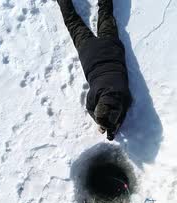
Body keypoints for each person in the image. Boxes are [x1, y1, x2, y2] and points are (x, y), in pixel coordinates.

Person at [57, 0, 133, 141]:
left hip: (109, 44)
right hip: (88, 50)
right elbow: (90, 108)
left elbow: (122, 109)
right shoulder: (95, 94)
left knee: (105, 13)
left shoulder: (124, 94)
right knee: (73, 22)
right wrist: (104, 124)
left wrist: (110, 125)